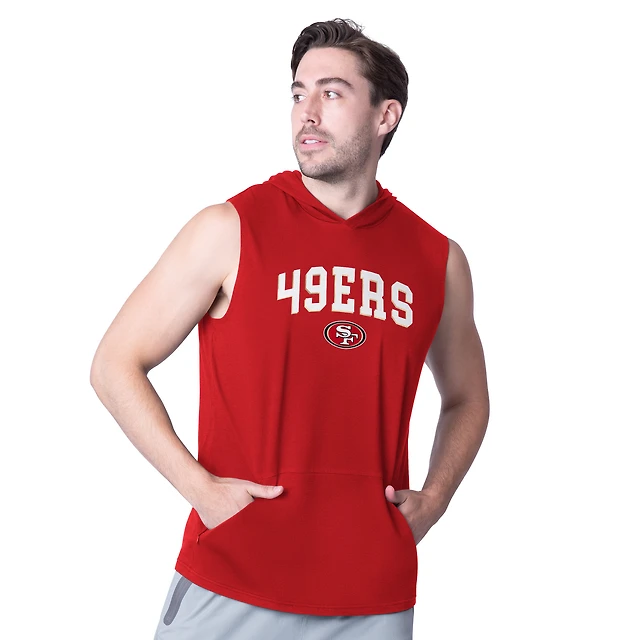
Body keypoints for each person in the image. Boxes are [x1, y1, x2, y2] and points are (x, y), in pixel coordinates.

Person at [90, 17, 490, 640]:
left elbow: (467, 397)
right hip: (234, 578)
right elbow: (114, 363)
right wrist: (201, 490)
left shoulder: (437, 259)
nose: (308, 112)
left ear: (386, 115)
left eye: (332, 93)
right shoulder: (229, 228)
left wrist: (435, 499)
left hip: (372, 598)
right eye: (299, 93)